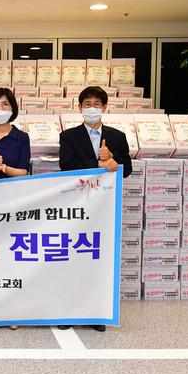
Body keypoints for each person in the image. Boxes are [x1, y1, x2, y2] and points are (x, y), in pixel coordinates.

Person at [58, 85, 133, 333]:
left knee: (98, 258)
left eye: (97, 104)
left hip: (105, 207)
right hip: (76, 206)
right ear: (79, 108)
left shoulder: (117, 136)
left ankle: (95, 312)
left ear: (105, 107)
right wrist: (100, 162)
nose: (92, 108)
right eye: (87, 104)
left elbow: (127, 169)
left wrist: (113, 160)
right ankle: (69, 311)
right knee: (72, 257)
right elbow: (67, 166)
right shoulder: (68, 136)